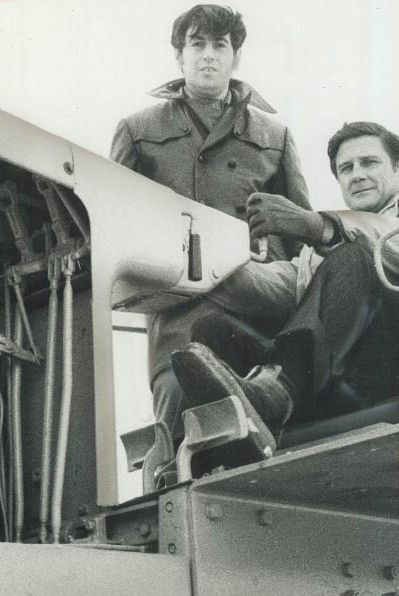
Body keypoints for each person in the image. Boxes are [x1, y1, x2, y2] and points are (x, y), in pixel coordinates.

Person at [172, 121, 399, 444]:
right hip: (325, 383)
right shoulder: (319, 253)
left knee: (353, 256)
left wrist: (324, 227)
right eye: (345, 169)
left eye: (369, 162)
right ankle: (209, 439)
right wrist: (198, 257)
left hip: (395, 373)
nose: (356, 174)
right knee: (213, 329)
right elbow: (273, 285)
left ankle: (278, 391)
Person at [110, 4, 311, 439]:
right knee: (183, 445)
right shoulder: (135, 130)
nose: (208, 55)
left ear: (235, 56)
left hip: (260, 323)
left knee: (269, 447)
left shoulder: (276, 136)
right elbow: (114, 233)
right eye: (196, 44)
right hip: (178, 321)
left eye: (220, 45)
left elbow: (301, 239)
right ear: (178, 56)